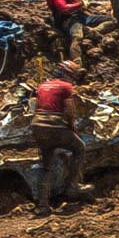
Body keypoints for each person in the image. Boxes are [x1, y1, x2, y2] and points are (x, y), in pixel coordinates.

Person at [30, 61, 95, 216]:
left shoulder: (42, 86)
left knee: (47, 165)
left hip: (37, 125)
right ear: (67, 74)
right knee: (79, 148)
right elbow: (70, 111)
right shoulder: (66, 87)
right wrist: (73, 128)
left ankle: (43, 205)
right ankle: (73, 186)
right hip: (55, 125)